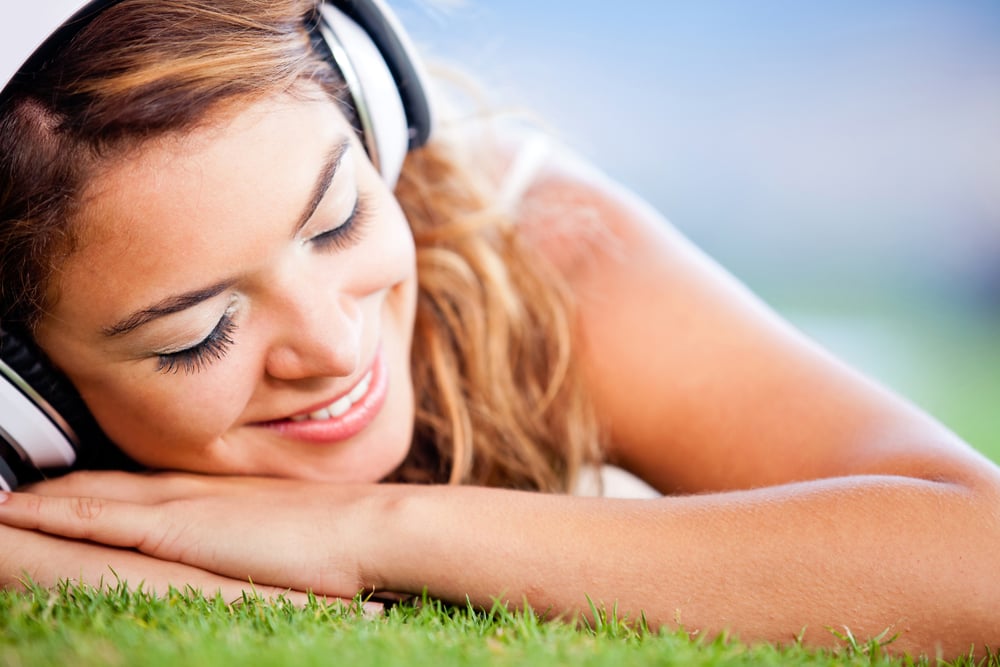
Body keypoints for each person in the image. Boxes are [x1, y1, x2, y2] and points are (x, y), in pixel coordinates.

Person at [0, 0, 997, 657]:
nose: (336, 348)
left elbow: (977, 557)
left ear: (377, 128)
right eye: (197, 333)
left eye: (338, 218)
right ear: (24, 373)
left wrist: (368, 531)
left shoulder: (538, 235)